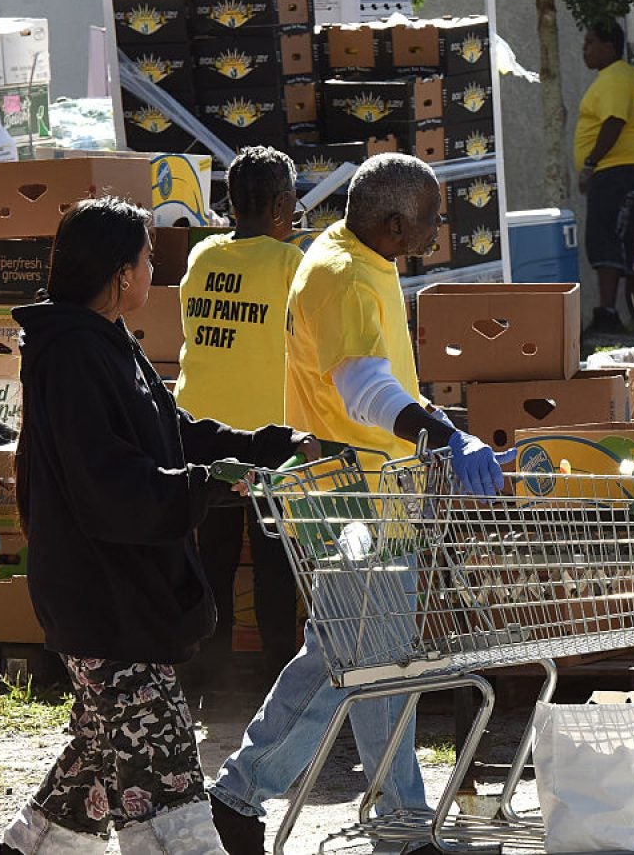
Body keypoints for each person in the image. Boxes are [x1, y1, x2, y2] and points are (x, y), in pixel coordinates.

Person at [0, 198, 316, 855]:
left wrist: (268, 446)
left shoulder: (106, 341)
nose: (151, 272)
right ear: (121, 274)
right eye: (147, 259)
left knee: (97, 761)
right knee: (165, 776)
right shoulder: (73, 353)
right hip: (104, 596)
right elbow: (109, 480)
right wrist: (207, 484)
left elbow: (172, 431)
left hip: (118, 592)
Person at [209, 153, 507, 855]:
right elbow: (363, 389)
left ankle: (397, 818)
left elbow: (383, 377)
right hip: (354, 503)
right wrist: (444, 437)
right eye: (431, 220)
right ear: (395, 223)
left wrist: (433, 419)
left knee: (374, 662)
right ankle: (243, 793)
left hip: (372, 496)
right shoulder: (342, 276)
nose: (438, 232)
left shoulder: (359, 258)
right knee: (354, 663)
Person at [176, 146, 305, 686]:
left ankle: (208, 680)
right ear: (280, 205)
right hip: (265, 442)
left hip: (201, 435)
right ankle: (277, 682)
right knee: (274, 561)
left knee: (214, 558)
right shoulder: (291, 264)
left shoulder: (203, 255)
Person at [575, 19, 634, 337]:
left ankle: (608, 315)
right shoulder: (627, 76)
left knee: (605, 239)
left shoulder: (613, 78)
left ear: (609, 47)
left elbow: (614, 122)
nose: (585, 49)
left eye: (590, 43)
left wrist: (590, 164)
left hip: (617, 172)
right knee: (631, 241)